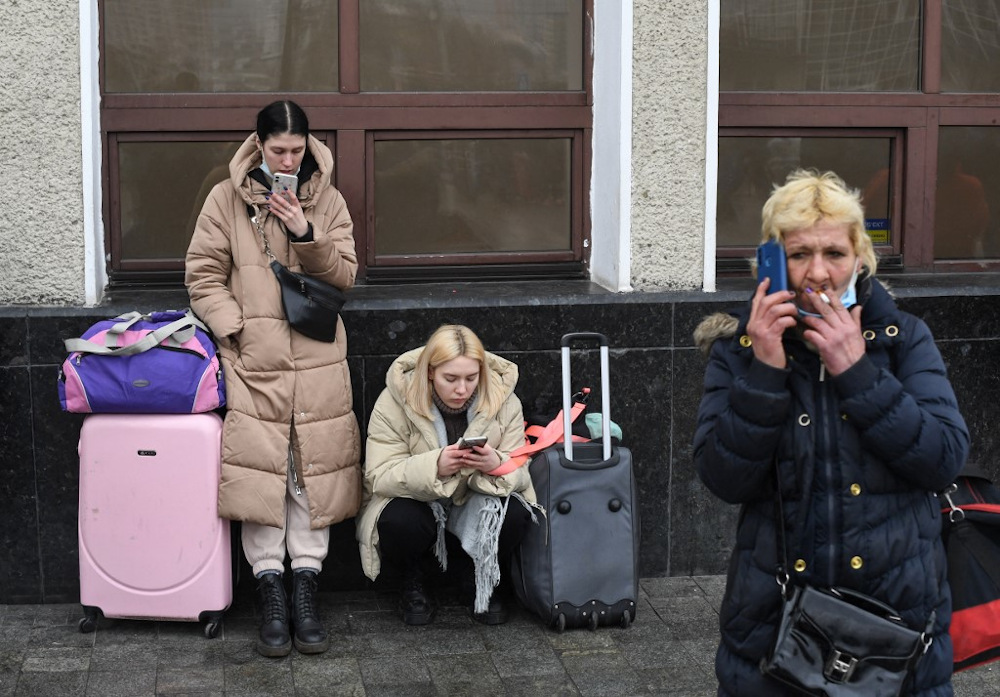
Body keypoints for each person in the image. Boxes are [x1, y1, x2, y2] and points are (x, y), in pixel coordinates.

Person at [693, 169, 969, 695]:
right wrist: (766, 372)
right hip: (774, 624)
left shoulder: (904, 339)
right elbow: (723, 478)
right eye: (799, 255)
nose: (817, 273)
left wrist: (858, 371)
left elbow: (944, 459)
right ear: (771, 260)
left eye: (834, 254)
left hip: (898, 617)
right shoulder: (739, 348)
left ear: (859, 258)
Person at [185, 100, 361, 657]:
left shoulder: (326, 199)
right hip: (252, 361)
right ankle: (271, 593)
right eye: (278, 149)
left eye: (297, 149)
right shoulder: (224, 199)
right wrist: (235, 330)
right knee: (261, 471)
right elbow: (202, 274)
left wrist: (305, 230)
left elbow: (345, 276)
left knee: (309, 469)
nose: (288, 159)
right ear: (258, 144)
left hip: (317, 358)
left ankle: (305, 588)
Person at [357, 324, 540, 626]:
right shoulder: (394, 401)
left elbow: (522, 474)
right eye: (450, 378)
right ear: (430, 372)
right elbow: (379, 474)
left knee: (515, 513)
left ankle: (477, 575)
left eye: (471, 378)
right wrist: (435, 466)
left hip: (473, 499)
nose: (462, 389)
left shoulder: (504, 400)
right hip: (421, 506)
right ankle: (414, 577)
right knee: (398, 519)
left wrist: (495, 463)